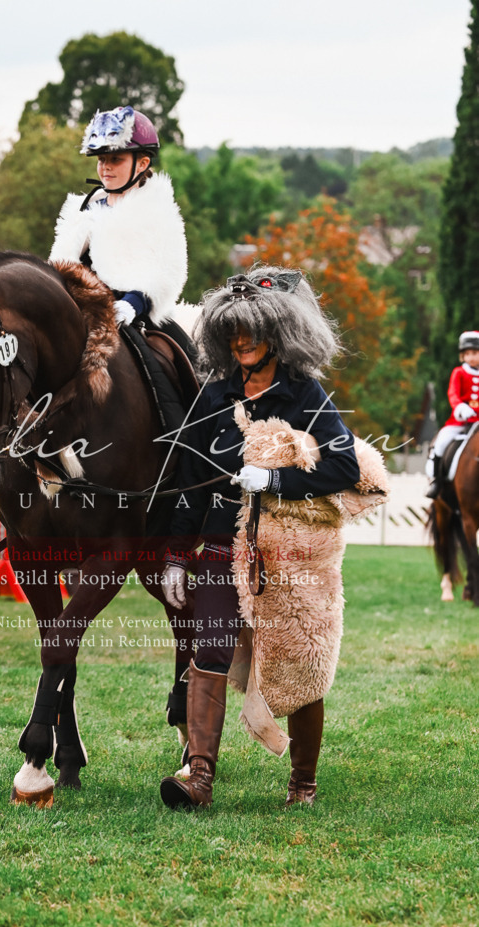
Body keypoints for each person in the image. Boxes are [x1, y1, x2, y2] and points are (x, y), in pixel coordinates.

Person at [159, 267, 361, 811]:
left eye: (254, 330)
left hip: (287, 554)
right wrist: (178, 556)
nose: (242, 341)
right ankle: (198, 775)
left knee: (298, 657)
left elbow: (344, 467)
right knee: (210, 648)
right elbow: (190, 481)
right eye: (233, 331)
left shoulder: (305, 394)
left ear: (280, 333)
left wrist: (274, 479)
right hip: (223, 551)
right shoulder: (213, 396)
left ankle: (303, 782)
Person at [49, 105, 188, 334]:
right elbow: (59, 267)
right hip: (80, 312)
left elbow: (166, 272)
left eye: (116, 159)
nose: (105, 168)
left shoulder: (158, 211)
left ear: (142, 164)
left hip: (136, 314)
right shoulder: (83, 211)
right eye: (102, 159)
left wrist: (132, 305)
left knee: (181, 357)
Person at [425, 331, 479, 498]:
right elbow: (453, 394)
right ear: (462, 355)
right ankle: (436, 482)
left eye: (475, 353)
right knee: (440, 443)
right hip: (460, 421)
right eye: (467, 354)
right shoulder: (459, 372)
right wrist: (460, 408)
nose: (471, 357)